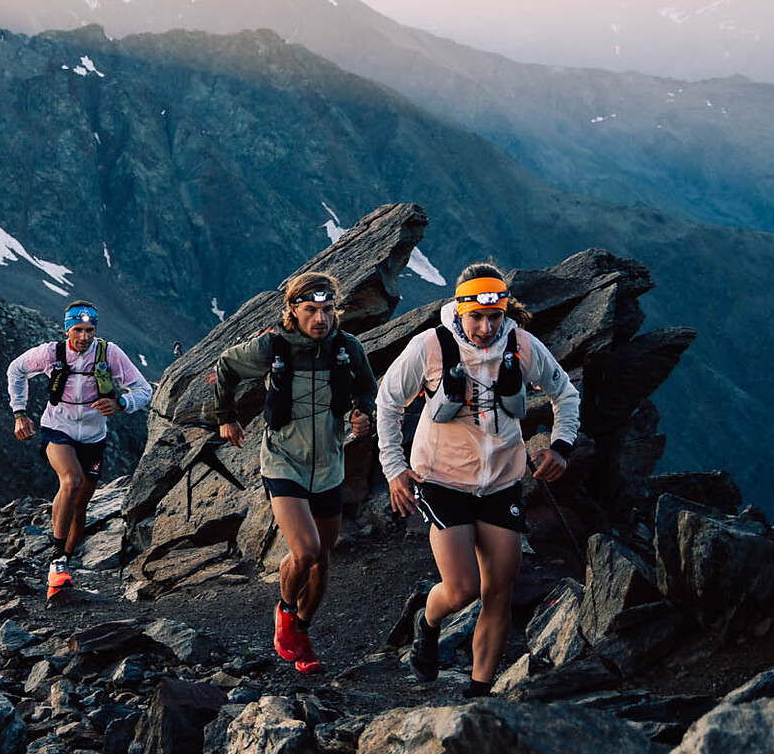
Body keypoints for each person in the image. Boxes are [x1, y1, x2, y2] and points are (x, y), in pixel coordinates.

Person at [375, 263, 580, 697]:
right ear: (461, 310)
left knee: (499, 591)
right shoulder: (429, 347)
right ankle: (426, 623)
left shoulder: (522, 345)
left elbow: (565, 394)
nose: (487, 328)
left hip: (502, 482)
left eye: (495, 317)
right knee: (463, 587)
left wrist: (560, 447)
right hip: (441, 479)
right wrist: (394, 469)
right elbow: (388, 401)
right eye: (477, 318)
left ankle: (478, 693)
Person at [213, 271, 377, 674]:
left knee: (322, 559)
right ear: (293, 310)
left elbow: (367, 389)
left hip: (329, 464)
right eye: (311, 310)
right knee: (303, 551)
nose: (320, 319)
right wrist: (226, 417)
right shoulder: (274, 346)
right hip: (283, 459)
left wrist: (362, 414)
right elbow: (226, 365)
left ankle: (302, 632)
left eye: (327, 310)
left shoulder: (347, 347)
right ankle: (285, 614)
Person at [7, 300, 153, 599]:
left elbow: (143, 390)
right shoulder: (51, 353)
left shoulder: (109, 353)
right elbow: (16, 369)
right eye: (77, 330)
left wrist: (121, 403)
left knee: (80, 504)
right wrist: (19, 412)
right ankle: (57, 560)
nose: (84, 337)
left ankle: (63, 568)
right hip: (56, 427)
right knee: (70, 481)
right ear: (67, 330)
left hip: (93, 435)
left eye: (89, 330)